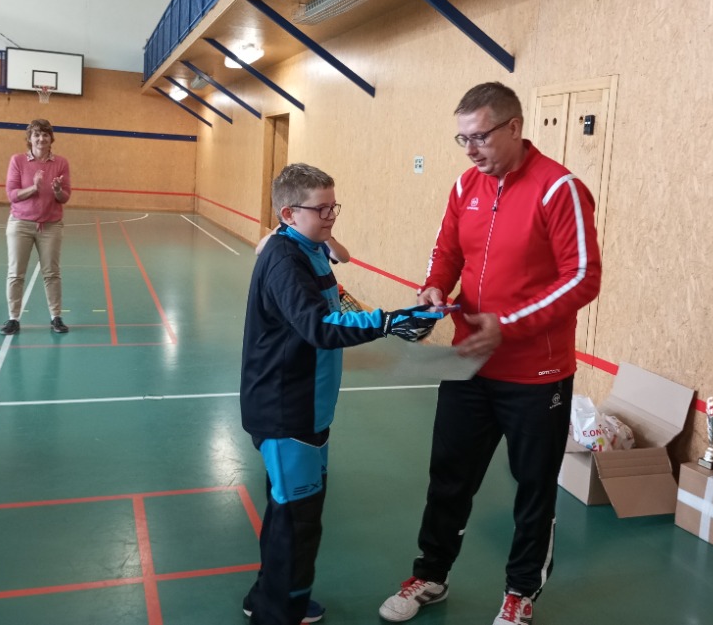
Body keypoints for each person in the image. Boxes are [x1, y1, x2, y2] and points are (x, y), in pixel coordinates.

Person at [378, 83, 602, 625]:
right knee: (448, 477)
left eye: (479, 137)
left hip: (537, 375)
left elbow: (582, 277)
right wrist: (433, 286)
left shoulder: (560, 189)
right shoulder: (465, 185)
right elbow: (447, 250)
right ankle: (431, 575)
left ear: (514, 127)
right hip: (468, 365)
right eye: (462, 138)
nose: (471, 150)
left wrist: (511, 325)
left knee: (533, 489)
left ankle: (520, 593)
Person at [241, 163, 443, 625]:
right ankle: (277, 612)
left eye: (335, 206)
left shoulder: (308, 247)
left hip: (308, 406)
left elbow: (336, 300)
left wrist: (396, 320)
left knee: (289, 510)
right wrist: (388, 322)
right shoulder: (285, 260)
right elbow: (319, 326)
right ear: (289, 214)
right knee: (297, 520)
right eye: (322, 209)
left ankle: (272, 595)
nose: (331, 216)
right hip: (285, 410)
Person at [1, 119, 72, 336]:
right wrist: (34, 187)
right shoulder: (18, 161)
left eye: (45, 135)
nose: (41, 139)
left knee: (52, 273)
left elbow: (65, 197)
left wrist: (57, 190)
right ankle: (13, 318)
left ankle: (56, 317)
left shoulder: (61, 163)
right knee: (16, 273)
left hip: (51, 225)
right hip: (20, 224)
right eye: (37, 135)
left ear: (51, 138)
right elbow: (12, 194)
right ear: (30, 138)